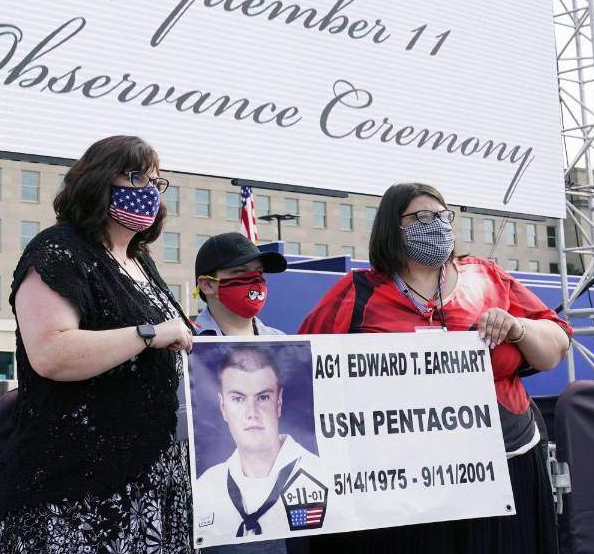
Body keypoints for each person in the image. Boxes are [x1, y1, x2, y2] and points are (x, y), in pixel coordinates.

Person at [298, 182, 572, 553]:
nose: (437, 224)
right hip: (403, 481)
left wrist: (517, 327)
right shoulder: (359, 291)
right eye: (422, 217)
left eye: (444, 216)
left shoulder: (486, 278)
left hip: (504, 467)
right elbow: (300, 363)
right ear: (393, 227)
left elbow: (555, 346)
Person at [0, 135, 196, 554]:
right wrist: (149, 334)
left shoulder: (141, 262)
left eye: (155, 182)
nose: (147, 191)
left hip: (151, 494)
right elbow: (52, 354)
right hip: (75, 497)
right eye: (135, 175)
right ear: (97, 179)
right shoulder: (58, 250)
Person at [196, 345, 323, 549]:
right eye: (238, 399)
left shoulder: (320, 475)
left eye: (263, 397)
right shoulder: (206, 487)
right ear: (223, 407)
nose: (251, 412)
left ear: (279, 402)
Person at [195, 233, 289, 337]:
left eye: (259, 272)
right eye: (240, 271)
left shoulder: (282, 343)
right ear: (207, 285)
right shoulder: (183, 347)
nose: (256, 279)